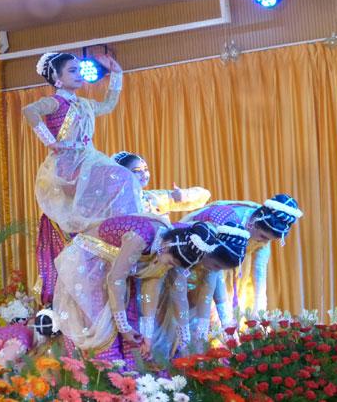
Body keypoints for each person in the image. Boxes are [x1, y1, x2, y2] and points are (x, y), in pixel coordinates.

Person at [24, 53, 143, 303]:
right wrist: (51, 142)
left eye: (79, 71)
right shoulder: (55, 102)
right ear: (57, 77)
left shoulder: (85, 104)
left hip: (88, 158)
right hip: (68, 163)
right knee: (121, 177)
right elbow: (29, 110)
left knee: (125, 179)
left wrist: (117, 73)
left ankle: (126, 234)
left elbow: (109, 104)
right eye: (72, 71)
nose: (79, 75)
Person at [52, 216, 218, 368]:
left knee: (127, 314)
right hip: (89, 259)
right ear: (167, 247)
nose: (169, 267)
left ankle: (123, 373)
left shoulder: (171, 243)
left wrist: (149, 335)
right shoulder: (140, 237)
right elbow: (115, 279)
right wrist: (124, 328)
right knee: (101, 325)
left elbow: (151, 287)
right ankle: (95, 376)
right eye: (171, 263)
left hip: (115, 266)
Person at [182, 194, 303, 324]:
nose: (263, 241)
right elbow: (215, 268)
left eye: (268, 239)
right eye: (263, 236)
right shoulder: (226, 220)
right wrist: (225, 318)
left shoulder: (264, 225)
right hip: (198, 258)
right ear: (254, 223)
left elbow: (259, 268)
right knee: (200, 305)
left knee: (239, 301)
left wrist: (259, 306)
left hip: (231, 264)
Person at [152, 222, 251, 356]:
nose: (216, 270)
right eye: (216, 265)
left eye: (220, 269)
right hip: (160, 277)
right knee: (161, 329)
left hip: (187, 293)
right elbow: (179, 297)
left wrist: (203, 333)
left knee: (196, 328)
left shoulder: (212, 263)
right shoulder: (188, 250)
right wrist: (185, 341)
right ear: (208, 253)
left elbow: (207, 295)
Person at [112, 151, 211, 216]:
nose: (144, 174)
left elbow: (205, 195)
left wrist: (185, 195)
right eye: (136, 170)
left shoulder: (153, 198)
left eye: (146, 169)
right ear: (122, 174)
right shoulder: (110, 203)